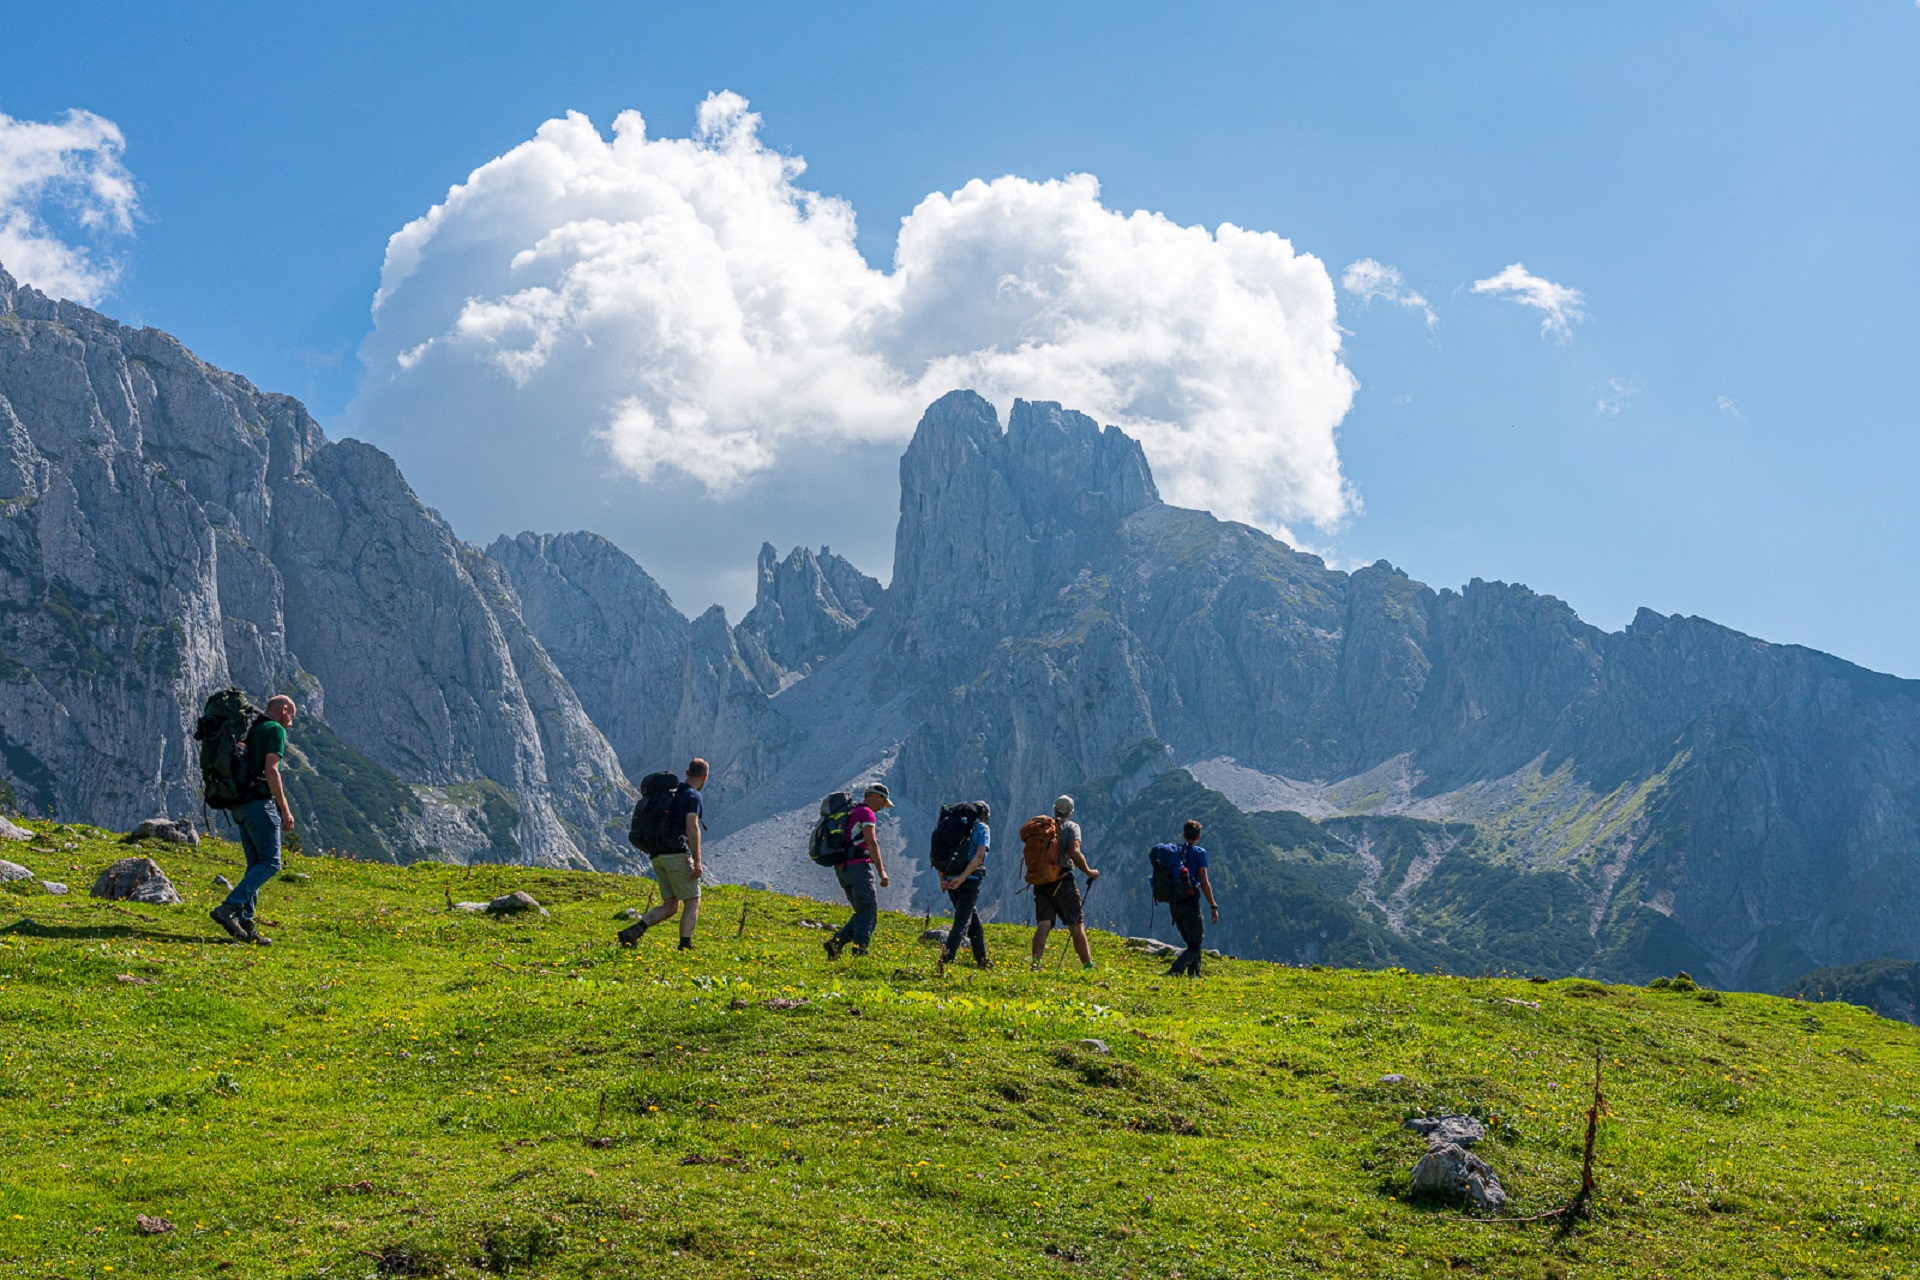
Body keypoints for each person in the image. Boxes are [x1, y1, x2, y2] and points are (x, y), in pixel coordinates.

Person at [210, 695, 297, 946]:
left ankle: (246, 925)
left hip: (240, 805)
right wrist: (285, 809)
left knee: (255, 864)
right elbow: (272, 771)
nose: (291, 721)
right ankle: (230, 907)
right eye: (292, 714)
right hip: (260, 803)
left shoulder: (253, 729)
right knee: (271, 863)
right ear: (283, 710)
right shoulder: (275, 730)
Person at [618, 759, 709, 950]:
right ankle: (686, 945)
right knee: (692, 901)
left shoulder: (670, 794)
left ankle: (632, 932)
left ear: (686, 772)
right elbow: (692, 828)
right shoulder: (693, 796)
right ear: (705, 777)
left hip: (658, 856)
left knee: (670, 905)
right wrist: (697, 861)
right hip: (676, 854)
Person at [1031, 794, 1101, 969]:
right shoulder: (1071, 827)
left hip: (1041, 879)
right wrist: (1089, 872)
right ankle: (1088, 965)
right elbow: (1075, 853)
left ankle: (1036, 962)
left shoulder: (1044, 827)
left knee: (1044, 922)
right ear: (1071, 812)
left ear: (1055, 809)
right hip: (1063, 880)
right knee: (1076, 923)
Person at [825, 783, 893, 959]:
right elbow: (871, 842)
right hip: (858, 867)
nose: (881, 808)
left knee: (863, 912)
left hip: (842, 869)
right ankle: (859, 951)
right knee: (869, 910)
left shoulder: (851, 812)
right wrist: (882, 872)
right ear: (876, 797)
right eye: (883, 802)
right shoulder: (866, 813)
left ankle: (836, 944)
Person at [938, 801, 993, 969]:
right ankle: (947, 957)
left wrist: (943, 879)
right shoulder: (981, 828)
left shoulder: (949, 826)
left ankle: (982, 960)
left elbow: (938, 853)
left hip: (950, 879)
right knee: (962, 921)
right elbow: (979, 856)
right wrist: (962, 878)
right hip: (969, 879)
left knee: (972, 920)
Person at [1166, 819, 1219, 977]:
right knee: (1195, 945)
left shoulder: (1174, 852)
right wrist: (1213, 905)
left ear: (1183, 835)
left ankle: (1194, 975)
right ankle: (1176, 969)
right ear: (1198, 837)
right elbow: (1204, 881)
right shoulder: (1199, 853)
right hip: (1191, 902)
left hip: (1174, 903)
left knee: (1192, 942)